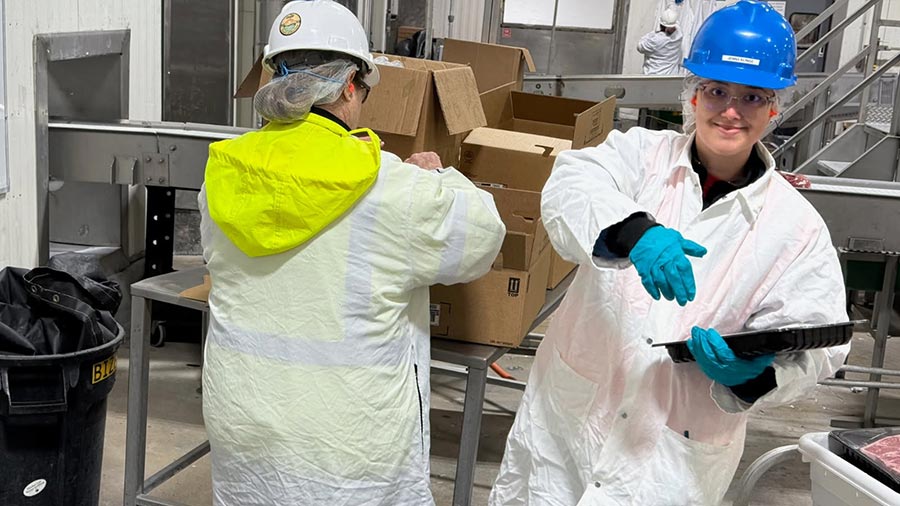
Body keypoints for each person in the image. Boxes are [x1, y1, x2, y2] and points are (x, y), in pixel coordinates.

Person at [489, 1, 850, 504]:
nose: (730, 110)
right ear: (693, 96)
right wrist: (634, 232)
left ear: (774, 108)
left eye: (751, 97)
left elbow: (824, 344)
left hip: (671, 459)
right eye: (716, 91)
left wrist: (756, 377)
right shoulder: (638, 155)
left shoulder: (797, 227)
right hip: (567, 426)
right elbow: (569, 185)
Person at [198, 1, 506, 504]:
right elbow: (482, 240)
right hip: (345, 443)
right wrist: (440, 175)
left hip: (243, 422)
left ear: (277, 79)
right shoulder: (392, 188)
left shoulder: (222, 175)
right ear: (348, 87)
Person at [637, 8, 683, 76]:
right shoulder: (679, 35)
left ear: (660, 24)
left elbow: (639, 47)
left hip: (653, 77)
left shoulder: (655, 40)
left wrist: (653, 34)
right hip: (671, 77)